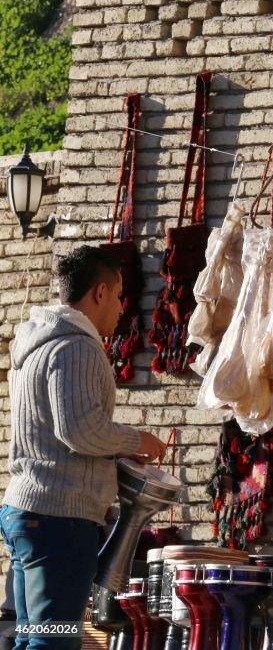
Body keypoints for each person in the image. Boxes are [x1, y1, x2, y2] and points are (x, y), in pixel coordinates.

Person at [0, 246, 165, 650]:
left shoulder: (36, 340)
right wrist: (136, 441)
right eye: (121, 295)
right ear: (100, 292)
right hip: (59, 516)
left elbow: (63, 430)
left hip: (29, 511)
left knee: (30, 638)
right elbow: (80, 430)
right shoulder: (77, 345)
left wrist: (114, 450)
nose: (124, 307)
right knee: (52, 641)